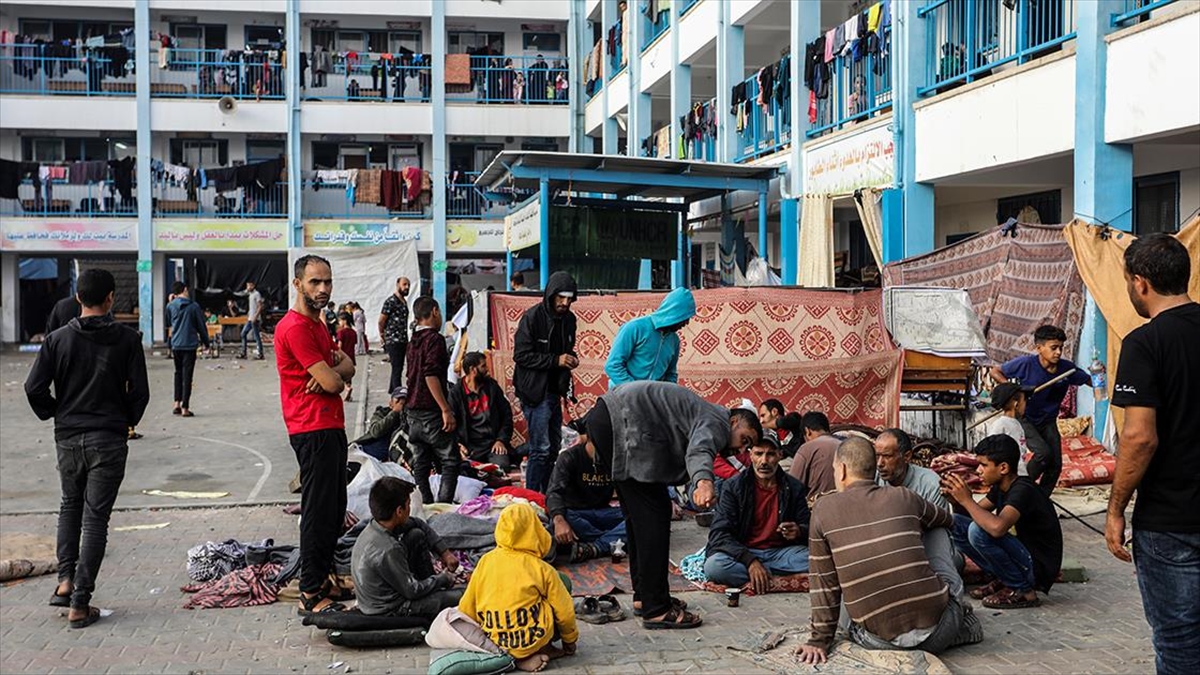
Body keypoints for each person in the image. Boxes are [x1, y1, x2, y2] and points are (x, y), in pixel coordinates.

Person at [25, 268, 149, 629]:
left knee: (70, 505)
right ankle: (80, 602)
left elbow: (34, 388)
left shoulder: (57, 339)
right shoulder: (127, 340)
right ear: (111, 298)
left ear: (78, 298)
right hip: (108, 439)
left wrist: (56, 413)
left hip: (68, 437)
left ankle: (65, 582)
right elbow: (139, 393)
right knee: (96, 519)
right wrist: (126, 422)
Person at [588, 381, 762, 629]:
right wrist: (704, 481)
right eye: (744, 439)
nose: (740, 448)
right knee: (654, 519)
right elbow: (700, 448)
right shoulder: (717, 420)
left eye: (746, 446)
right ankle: (656, 608)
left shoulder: (704, 413)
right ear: (734, 421)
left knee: (641, 519)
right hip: (620, 422)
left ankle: (645, 597)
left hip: (612, 419)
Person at [1104, 233, 1200, 675]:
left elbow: (1140, 438)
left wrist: (1116, 508)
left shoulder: (1145, 343)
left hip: (1171, 523)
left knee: (1179, 645)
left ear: (1140, 283)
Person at [797, 437, 981, 665]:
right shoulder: (903, 496)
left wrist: (819, 640)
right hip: (940, 632)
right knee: (937, 530)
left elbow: (824, 583)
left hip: (877, 642)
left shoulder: (823, 510)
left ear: (842, 470)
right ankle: (959, 622)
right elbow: (946, 519)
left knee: (845, 604)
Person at [274, 254, 356, 615]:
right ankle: (310, 592)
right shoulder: (294, 328)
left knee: (335, 508)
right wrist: (334, 376)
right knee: (318, 511)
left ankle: (323, 577)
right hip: (311, 428)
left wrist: (335, 374)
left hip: (331, 425)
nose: (323, 289)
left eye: (327, 281)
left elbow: (348, 368)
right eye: (314, 282)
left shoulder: (320, 326)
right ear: (297, 284)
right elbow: (336, 381)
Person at [943, 434, 1062, 610]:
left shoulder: (1023, 489)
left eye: (983, 465)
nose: (978, 471)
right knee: (956, 523)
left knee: (978, 531)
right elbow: (973, 516)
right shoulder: (1001, 487)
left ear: (1003, 468)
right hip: (1022, 557)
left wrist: (967, 500)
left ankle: (1023, 590)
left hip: (1037, 566)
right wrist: (957, 501)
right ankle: (1004, 579)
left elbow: (997, 528)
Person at [459, 503, 578, 673]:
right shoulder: (541, 568)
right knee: (562, 584)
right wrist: (569, 640)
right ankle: (542, 649)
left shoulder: (485, 561)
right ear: (534, 530)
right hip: (533, 639)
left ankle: (513, 656)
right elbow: (565, 613)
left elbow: (467, 606)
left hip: (496, 641)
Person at [990, 324, 1091, 494]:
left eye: (1061, 348)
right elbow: (995, 371)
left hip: (1048, 420)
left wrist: (1101, 379)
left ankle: (1040, 499)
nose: (1058, 352)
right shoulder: (1026, 364)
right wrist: (1013, 391)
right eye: (1054, 348)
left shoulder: (1067, 369)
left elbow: (1090, 380)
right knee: (1043, 454)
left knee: (1055, 465)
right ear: (1039, 348)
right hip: (1026, 417)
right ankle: (1019, 490)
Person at [703, 432, 810, 593]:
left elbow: (809, 528)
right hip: (743, 552)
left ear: (780, 455)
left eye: (771, 454)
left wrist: (799, 530)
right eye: (759, 454)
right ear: (750, 455)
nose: (764, 461)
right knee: (715, 567)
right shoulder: (734, 487)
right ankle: (776, 577)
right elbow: (719, 534)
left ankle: (761, 576)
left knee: (816, 560)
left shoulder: (794, 487)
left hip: (780, 554)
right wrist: (750, 561)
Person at [351, 477, 462, 618]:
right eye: (408, 504)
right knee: (463, 595)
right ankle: (435, 591)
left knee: (416, 534)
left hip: (387, 592)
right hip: (390, 608)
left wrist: (444, 552)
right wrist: (443, 578)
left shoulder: (377, 525)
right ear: (399, 511)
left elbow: (418, 523)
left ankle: (432, 584)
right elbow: (412, 590)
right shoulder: (389, 548)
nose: (410, 509)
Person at [875, 428, 965, 600]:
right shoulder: (875, 478)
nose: (880, 463)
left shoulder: (930, 485)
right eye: (877, 455)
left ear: (907, 456)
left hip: (924, 548)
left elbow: (935, 535)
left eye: (887, 456)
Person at [512, 271, 578, 494]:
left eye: (569, 299)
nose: (565, 303)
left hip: (553, 391)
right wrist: (556, 360)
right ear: (551, 295)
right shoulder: (532, 318)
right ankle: (531, 497)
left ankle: (547, 496)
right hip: (533, 392)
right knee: (540, 448)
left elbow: (566, 350)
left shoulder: (569, 320)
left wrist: (569, 360)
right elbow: (521, 356)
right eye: (561, 298)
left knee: (552, 450)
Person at [406, 296, 459, 504]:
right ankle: (443, 504)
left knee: (421, 462)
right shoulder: (434, 339)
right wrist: (445, 409)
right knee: (450, 460)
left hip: (412, 412)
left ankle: (426, 503)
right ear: (435, 312)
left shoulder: (413, 341)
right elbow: (430, 375)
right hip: (430, 411)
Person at [546, 429, 624, 564]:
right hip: (576, 515)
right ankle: (614, 540)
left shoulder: (615, 459)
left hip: (603, 512)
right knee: (562, 518)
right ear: (589, 440)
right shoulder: (569, 457)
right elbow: (554, 493)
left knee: (640, 517)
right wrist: (559, 521)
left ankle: (596, 546)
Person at [604, 287, 695, 388]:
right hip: (622, 396)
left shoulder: (674, 341)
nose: (686, 323)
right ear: (674, 313)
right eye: (684, 318)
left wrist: (667, 396)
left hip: (652, 399)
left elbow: (671, 374)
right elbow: (613, 366)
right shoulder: (635, 328)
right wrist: (636, 391)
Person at [449, 351, 514, 472]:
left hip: (492, 444)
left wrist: (501, 440)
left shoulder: (491, 386)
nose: (487, 369)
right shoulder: (456, 393)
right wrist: (458, 444)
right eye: (483, 366)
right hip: (471, 446)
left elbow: (507, 414)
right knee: (463, 469)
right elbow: (451, 423)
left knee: (502, 467)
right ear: (473, 369)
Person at [166, 281, 209, 418]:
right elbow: (201, 326)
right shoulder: (194, 307)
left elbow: (169, 324)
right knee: (187, 376)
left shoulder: (170, 306)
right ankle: (185, 407)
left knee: (178, 373)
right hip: (189, 345)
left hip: (176, 344)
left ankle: (176, 404)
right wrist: (206, 342)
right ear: (185, 290)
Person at [787, 411, 840, 506]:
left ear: (807, 431)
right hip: (842, 505)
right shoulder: (844, 446)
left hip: (816, 509)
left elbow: (792, 486)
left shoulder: (806, 448)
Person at [354, 387, 411, 464]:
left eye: (404, 403)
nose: (401, 406)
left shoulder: (410, 417)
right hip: (375, 450)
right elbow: (375, 432)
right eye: (398, 401)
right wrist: (394, 413)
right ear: (391, 403)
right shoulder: (382, 413)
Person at [986, 382, 1031, 476]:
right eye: (1024, 400)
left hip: (1020, 474)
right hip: (1009, 477)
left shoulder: (1017, 424)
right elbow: (991, 451)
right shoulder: (1000, 425)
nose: (1026, 404)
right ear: (1016, 405)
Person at [379, 277, 412, 393]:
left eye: (408, 285)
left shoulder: (403, 301)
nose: (407, 287)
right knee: (397, 368)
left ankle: (393, 390)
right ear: (397, 285)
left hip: (403, 339)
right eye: (404, 284)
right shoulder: (390, 301)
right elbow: (381, 320)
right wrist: (382, 334)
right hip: (393, 340)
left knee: (398, 367)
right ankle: (398, 396)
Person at [239, 280, 264, 360]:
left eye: (249, 286)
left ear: (253, 286)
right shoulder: (250, 295)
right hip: (250, 318)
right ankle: (244, 352)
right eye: (247, 286)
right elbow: (252, 307)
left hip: (254, 319)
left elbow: (260, 306)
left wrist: (255, 316)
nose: (248, 288)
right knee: (243, 333)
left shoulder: (257, 294)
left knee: (256, 336)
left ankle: (260, 353)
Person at [336, 312, 358, 402]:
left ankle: (346, 388)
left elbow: (339, 345)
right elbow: (355, 343)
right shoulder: (353, 332)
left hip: (343, 357)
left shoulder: (341, 333)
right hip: (351, 357)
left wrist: (337, 355)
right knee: (349, 376)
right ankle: (348, 391)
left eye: (340, 321)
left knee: (341, 375)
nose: (339, 323)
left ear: (344, 321)